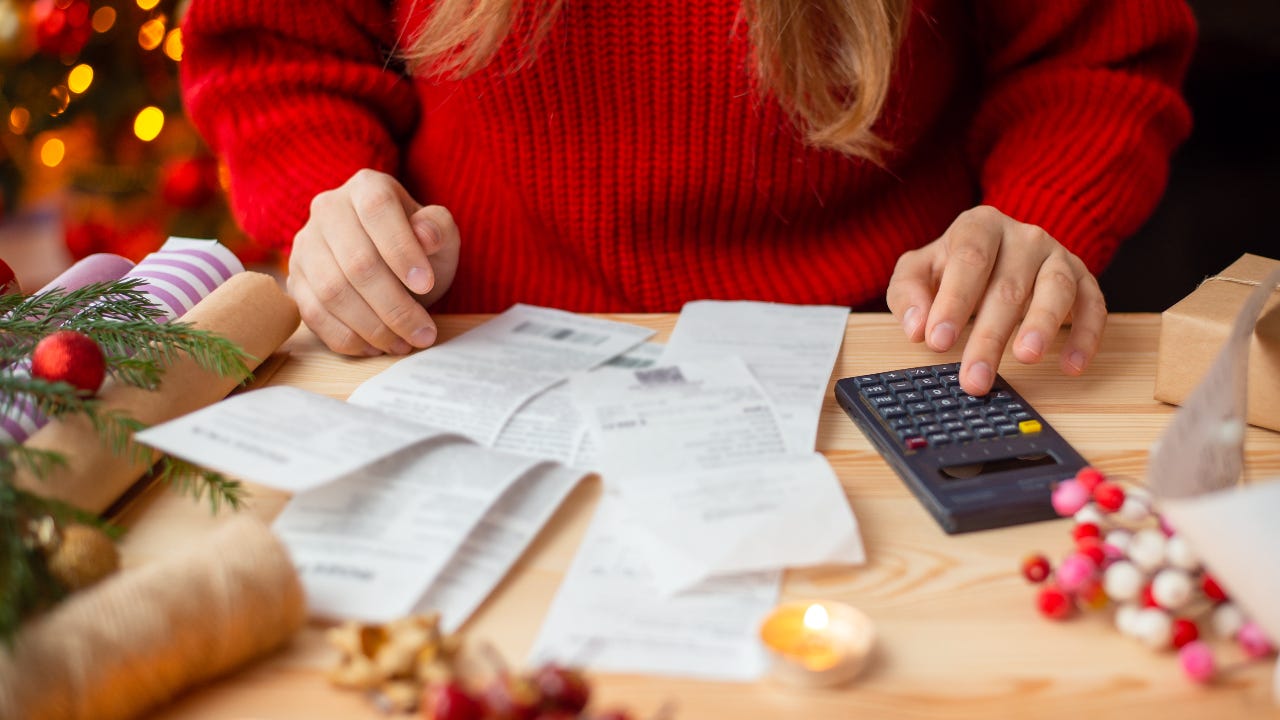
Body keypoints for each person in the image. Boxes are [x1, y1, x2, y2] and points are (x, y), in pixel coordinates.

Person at [179, 0, 1195, 396]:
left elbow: (1097, 56)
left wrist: (1034, 219)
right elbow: (278, 51)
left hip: (886, 364)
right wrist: (333, 197)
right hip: (468, 359)